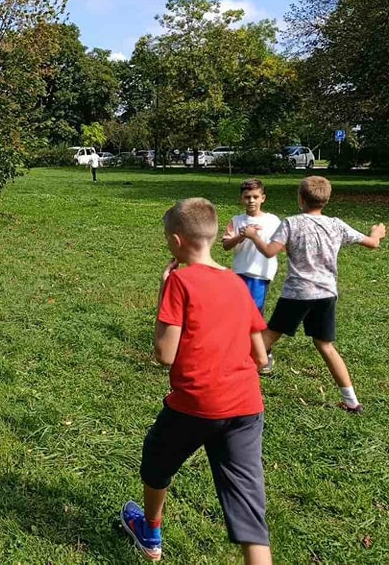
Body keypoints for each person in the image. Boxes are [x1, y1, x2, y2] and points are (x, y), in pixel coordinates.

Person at [121, 198, 271, 565]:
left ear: (176, 241)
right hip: (246, 406)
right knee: (250, 516)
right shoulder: (237, 283)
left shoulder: (180, 281)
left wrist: (163, 291)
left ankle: (150, 533)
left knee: (156, 462)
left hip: (196, 404)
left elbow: (164, 354)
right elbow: (261, 356)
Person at [243, 176, 386, 412]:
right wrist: (376, 232)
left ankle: (233, 384)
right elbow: (372, 243)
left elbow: (269, 251)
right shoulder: (336, 225)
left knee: (267, 338)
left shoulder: (291, 223)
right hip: (325, 295)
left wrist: (253, 236)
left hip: (296, 294)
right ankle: (352, 401)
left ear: (300, 199)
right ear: (326, 200)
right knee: (325, 345)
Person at [222, 179, 281, 314]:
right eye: (247, 197)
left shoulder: (273, 221)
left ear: (263, 198)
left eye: (255, 197)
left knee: (254, 311)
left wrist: (255, 237)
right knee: (238, 310)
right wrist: (241, 236)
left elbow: (281, 245)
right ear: (241, 199)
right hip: (240, 271)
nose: (251, 201)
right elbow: (226, 245)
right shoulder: (236, 220)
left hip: (260, 273)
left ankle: (254, 328)